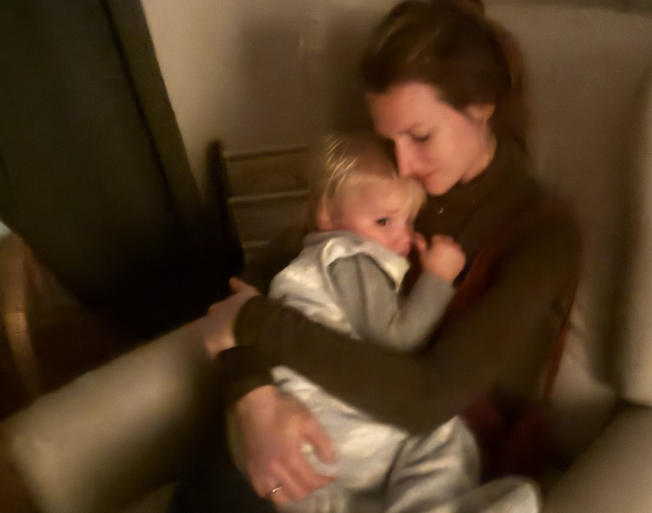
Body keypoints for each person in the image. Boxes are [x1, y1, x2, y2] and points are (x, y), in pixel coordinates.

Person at [169, 0, 579, 511]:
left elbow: (429, 398)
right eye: (388, 139)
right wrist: (255, 402)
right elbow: (255, 280)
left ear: (482, 105)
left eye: (421, 136)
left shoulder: (543, 234)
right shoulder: (380, 177)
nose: (402, 164)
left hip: (415, 460)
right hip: (299, 427)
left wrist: (255, 321)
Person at [229, 131, 504, 513]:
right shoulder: (350, 255)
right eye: (383, 221)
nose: (403, 238)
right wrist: (438, 277)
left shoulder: (307, 259)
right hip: (337, 423)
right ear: (327, 214)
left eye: (409, 221)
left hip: (305, 438)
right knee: (445, 437)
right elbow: (398, 336)